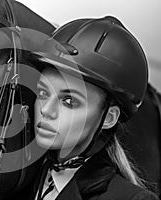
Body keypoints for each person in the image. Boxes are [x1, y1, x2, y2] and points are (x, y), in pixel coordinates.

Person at [29, 16, 159, 200]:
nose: (46, 110)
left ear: (108, 118)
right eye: (43, 94)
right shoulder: (14, 182)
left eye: (69, 101)